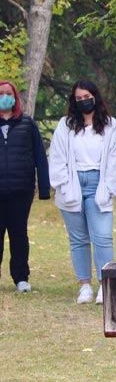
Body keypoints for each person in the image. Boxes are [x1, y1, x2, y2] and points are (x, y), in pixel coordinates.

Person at [49, 79, 116, 305]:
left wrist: (110, 187)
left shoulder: (110, 125)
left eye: (87, 97)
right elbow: (57, 157)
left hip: (98, 184)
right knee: (78, 239)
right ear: (74, 101)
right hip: (72, 184)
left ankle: (105, 285)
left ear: (95, 96)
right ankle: (84, 286)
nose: (84, 101)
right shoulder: (66, 125)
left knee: (102, 237)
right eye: (79, 98)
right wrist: (63, 184)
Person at [0, 80, 50, 293]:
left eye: (8, 93)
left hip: (22, 190)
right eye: (1, 93)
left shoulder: (27, 124)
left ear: (15, 97)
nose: (5, 97)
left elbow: (40, 156)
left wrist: (45, 189)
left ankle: (21, 278)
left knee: (19, 234)